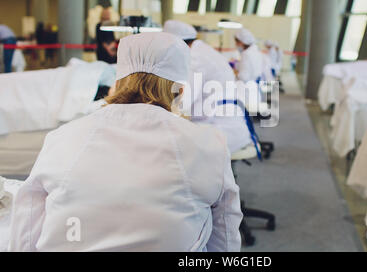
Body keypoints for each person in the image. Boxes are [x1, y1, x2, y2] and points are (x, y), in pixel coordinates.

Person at [9, 32, 242, 252]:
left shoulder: (61, 138)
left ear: (118, 83)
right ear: (180, 91)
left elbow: (27, 223)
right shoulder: (208, 145)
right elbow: (225, 234)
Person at [163, 20, 253, 154]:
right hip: (229, 124)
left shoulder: (194, 58)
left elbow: (182, 102)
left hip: (221, 129)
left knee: (168, 147)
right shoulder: (203, 50)